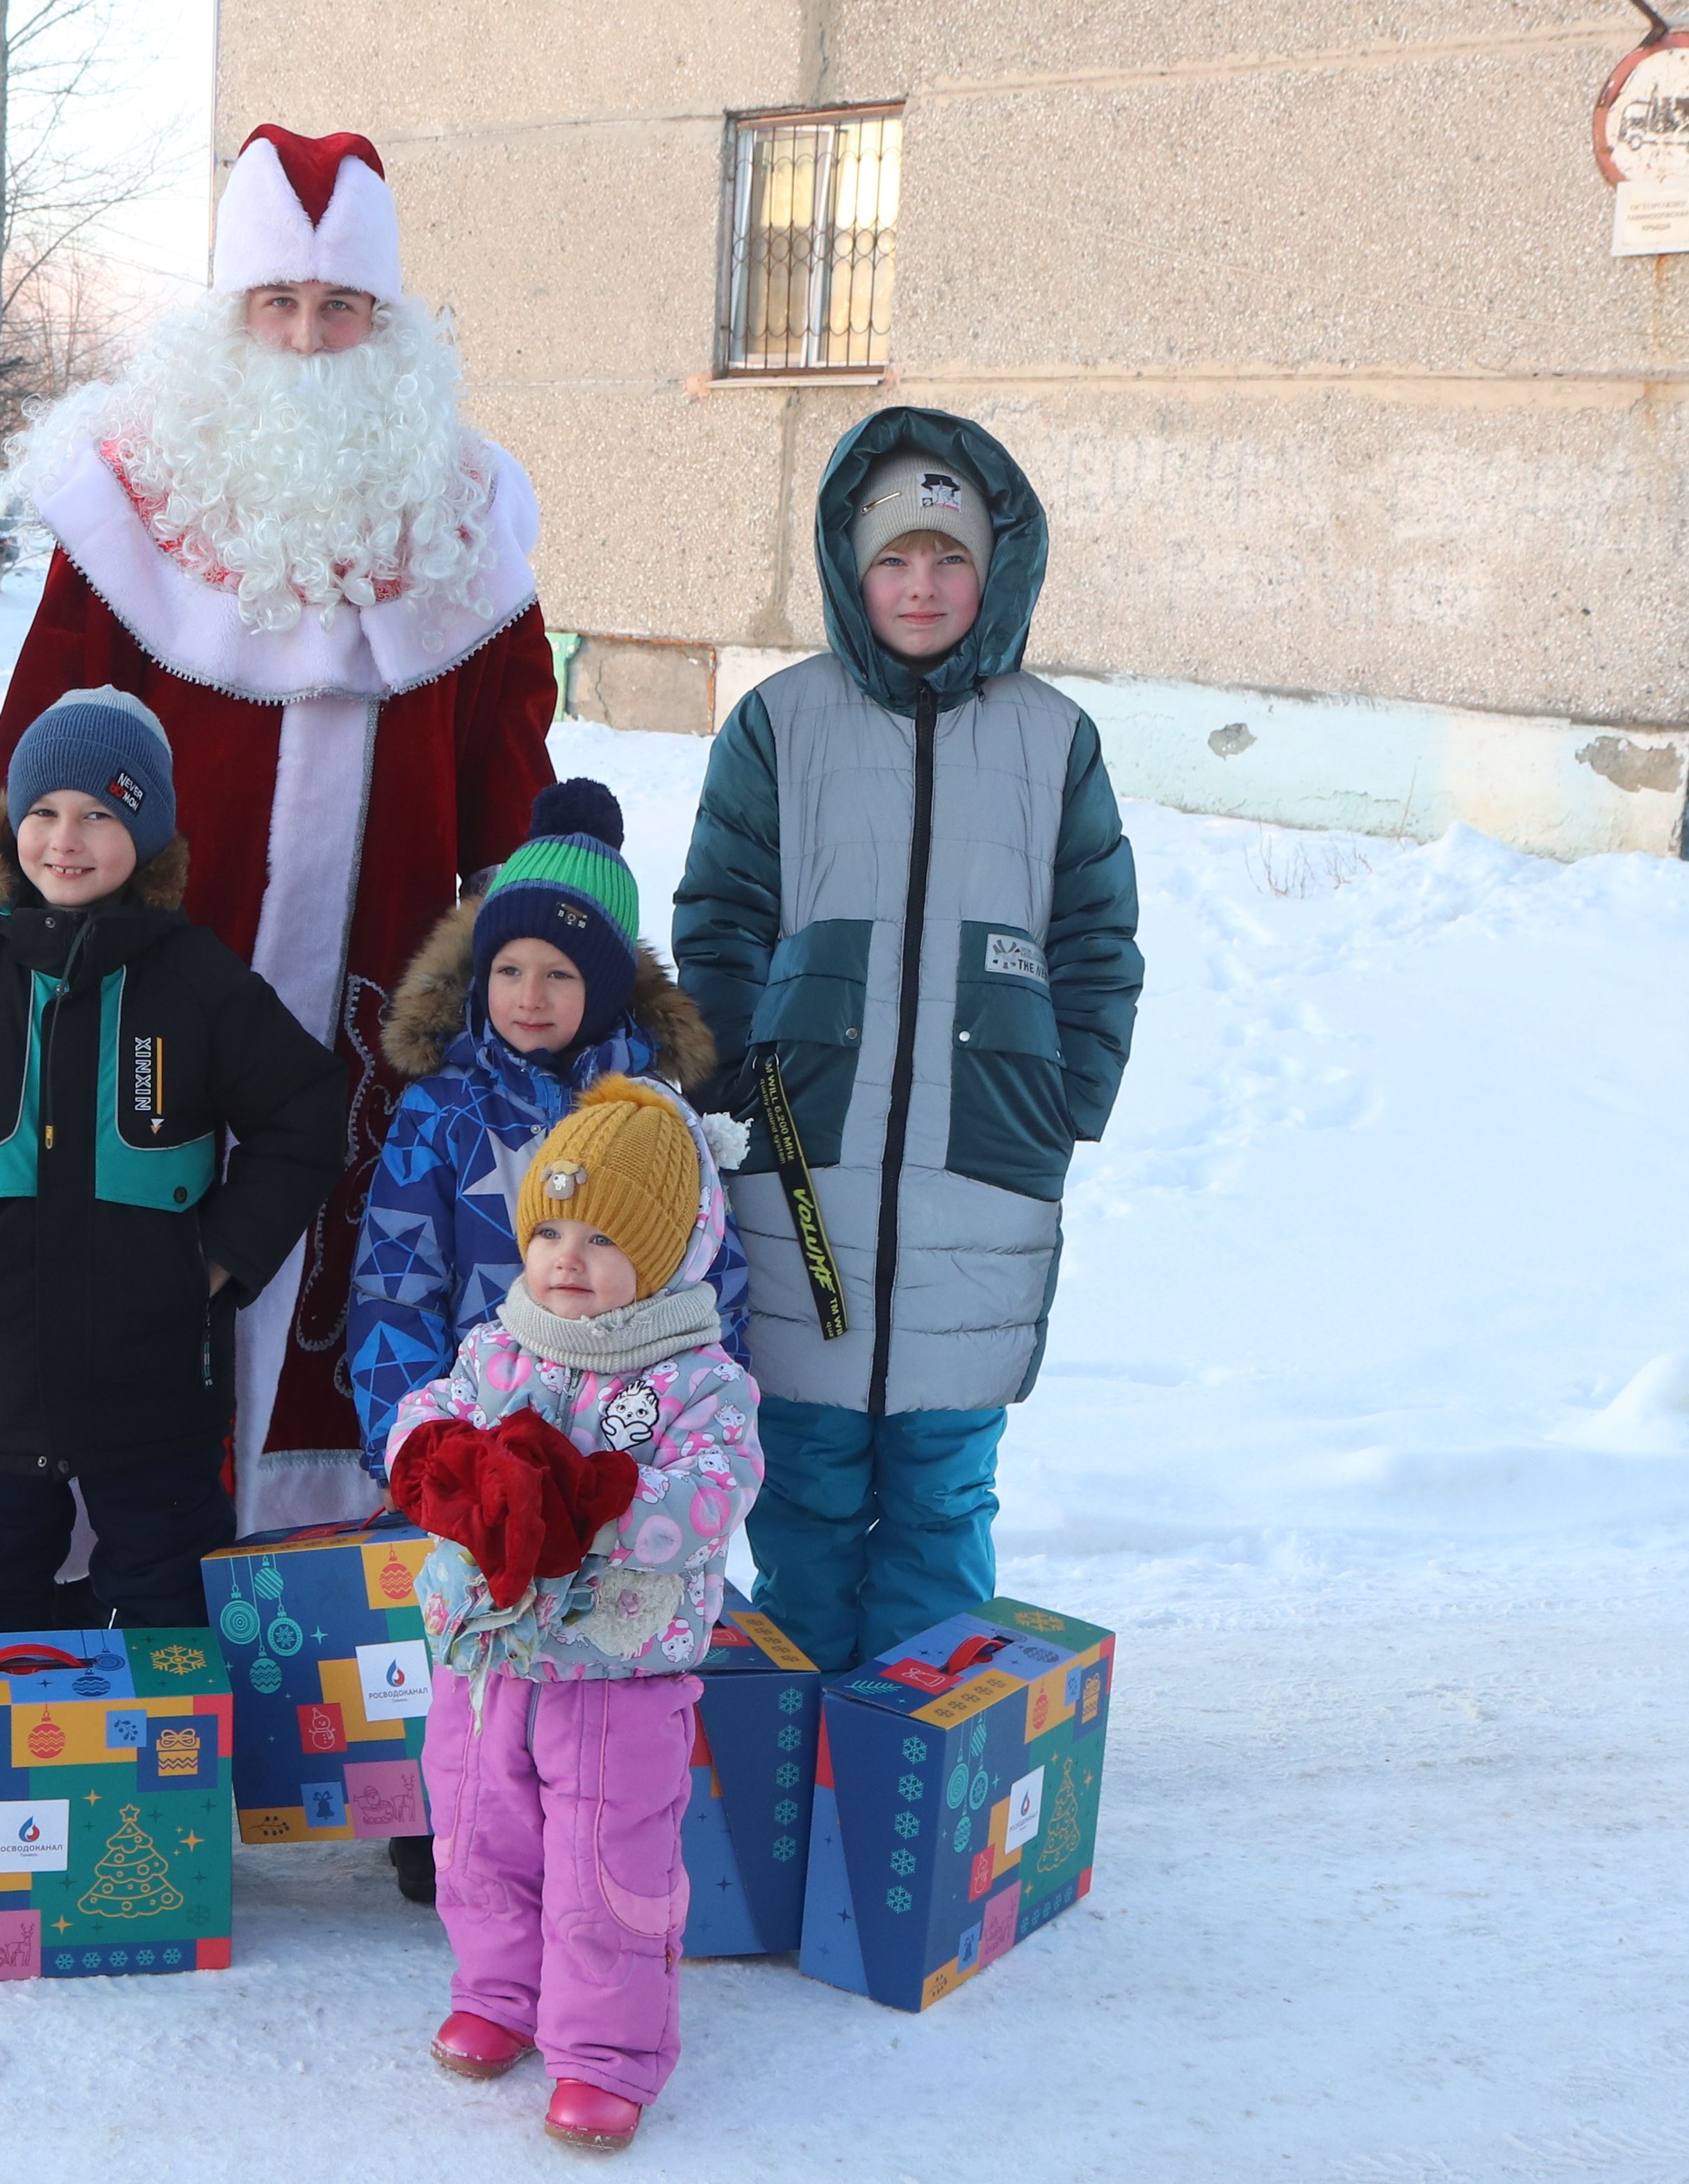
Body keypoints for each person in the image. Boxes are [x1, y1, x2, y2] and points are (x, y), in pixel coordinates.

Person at [0, 124, 560, 1537]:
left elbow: (509, 757)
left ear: (386, 322)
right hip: (158, 968)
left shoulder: (465, 512)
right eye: (276, 306)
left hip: (389, 972)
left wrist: (530, 937)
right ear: (227, 316)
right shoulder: (128, 498)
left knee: (362, 1243)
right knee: (139, 1236)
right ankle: (118, 1555)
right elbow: (38, 744)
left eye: (339, 308)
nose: (308, 341)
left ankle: (322, 1557)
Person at [670, 408, 1143, 1675]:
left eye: (949, 558)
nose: (921, 585)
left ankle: (910, 1776)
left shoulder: (1053, 739)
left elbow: (1098, 941)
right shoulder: (781, 725)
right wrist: (725, 1093)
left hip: (982, 1164)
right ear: (848, 569)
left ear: (996, 574)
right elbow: (719, 923)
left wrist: (1061, 1101)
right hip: (797, 1169)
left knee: (941, 1496)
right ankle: (795, 1764)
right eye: (894, 558)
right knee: (806, 1489)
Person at [0, 690, 345, 1634]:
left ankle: (172, 1776)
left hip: (154, 1379)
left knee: (170, 1597)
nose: (67, 839)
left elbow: (304, 1114)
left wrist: (216, 1260)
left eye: (101, 814)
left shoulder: (197, 982)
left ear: (145, 834)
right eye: (45, 811)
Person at [349, 777, 739, 1907]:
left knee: (596, 1646)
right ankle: (455, 1827)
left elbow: (715, 1274)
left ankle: (599, 1829)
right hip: (478, 1437)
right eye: (509, 968)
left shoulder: (651, 1124)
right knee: (474, 1631)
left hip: (616, 1436)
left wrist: (707, 1407)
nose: (529, 994)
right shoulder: (441, 1114)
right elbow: (391, 1285)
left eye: (561, 974)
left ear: (606, 984)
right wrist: (408, 1445)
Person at [386, 1075, 760, 2153]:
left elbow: (712, 1493)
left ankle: (603, 2052)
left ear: (668, 1249)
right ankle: (497, 1994)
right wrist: (444, 1462)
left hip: (617, 1672)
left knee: (606, 1864)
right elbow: (424, 1420)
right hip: (485, 1658)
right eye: (548, 1228)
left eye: (601, 1236)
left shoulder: (699, 1380)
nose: (564, 1256)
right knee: (475, 1837)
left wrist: (603, 1499)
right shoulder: (497, 1346)